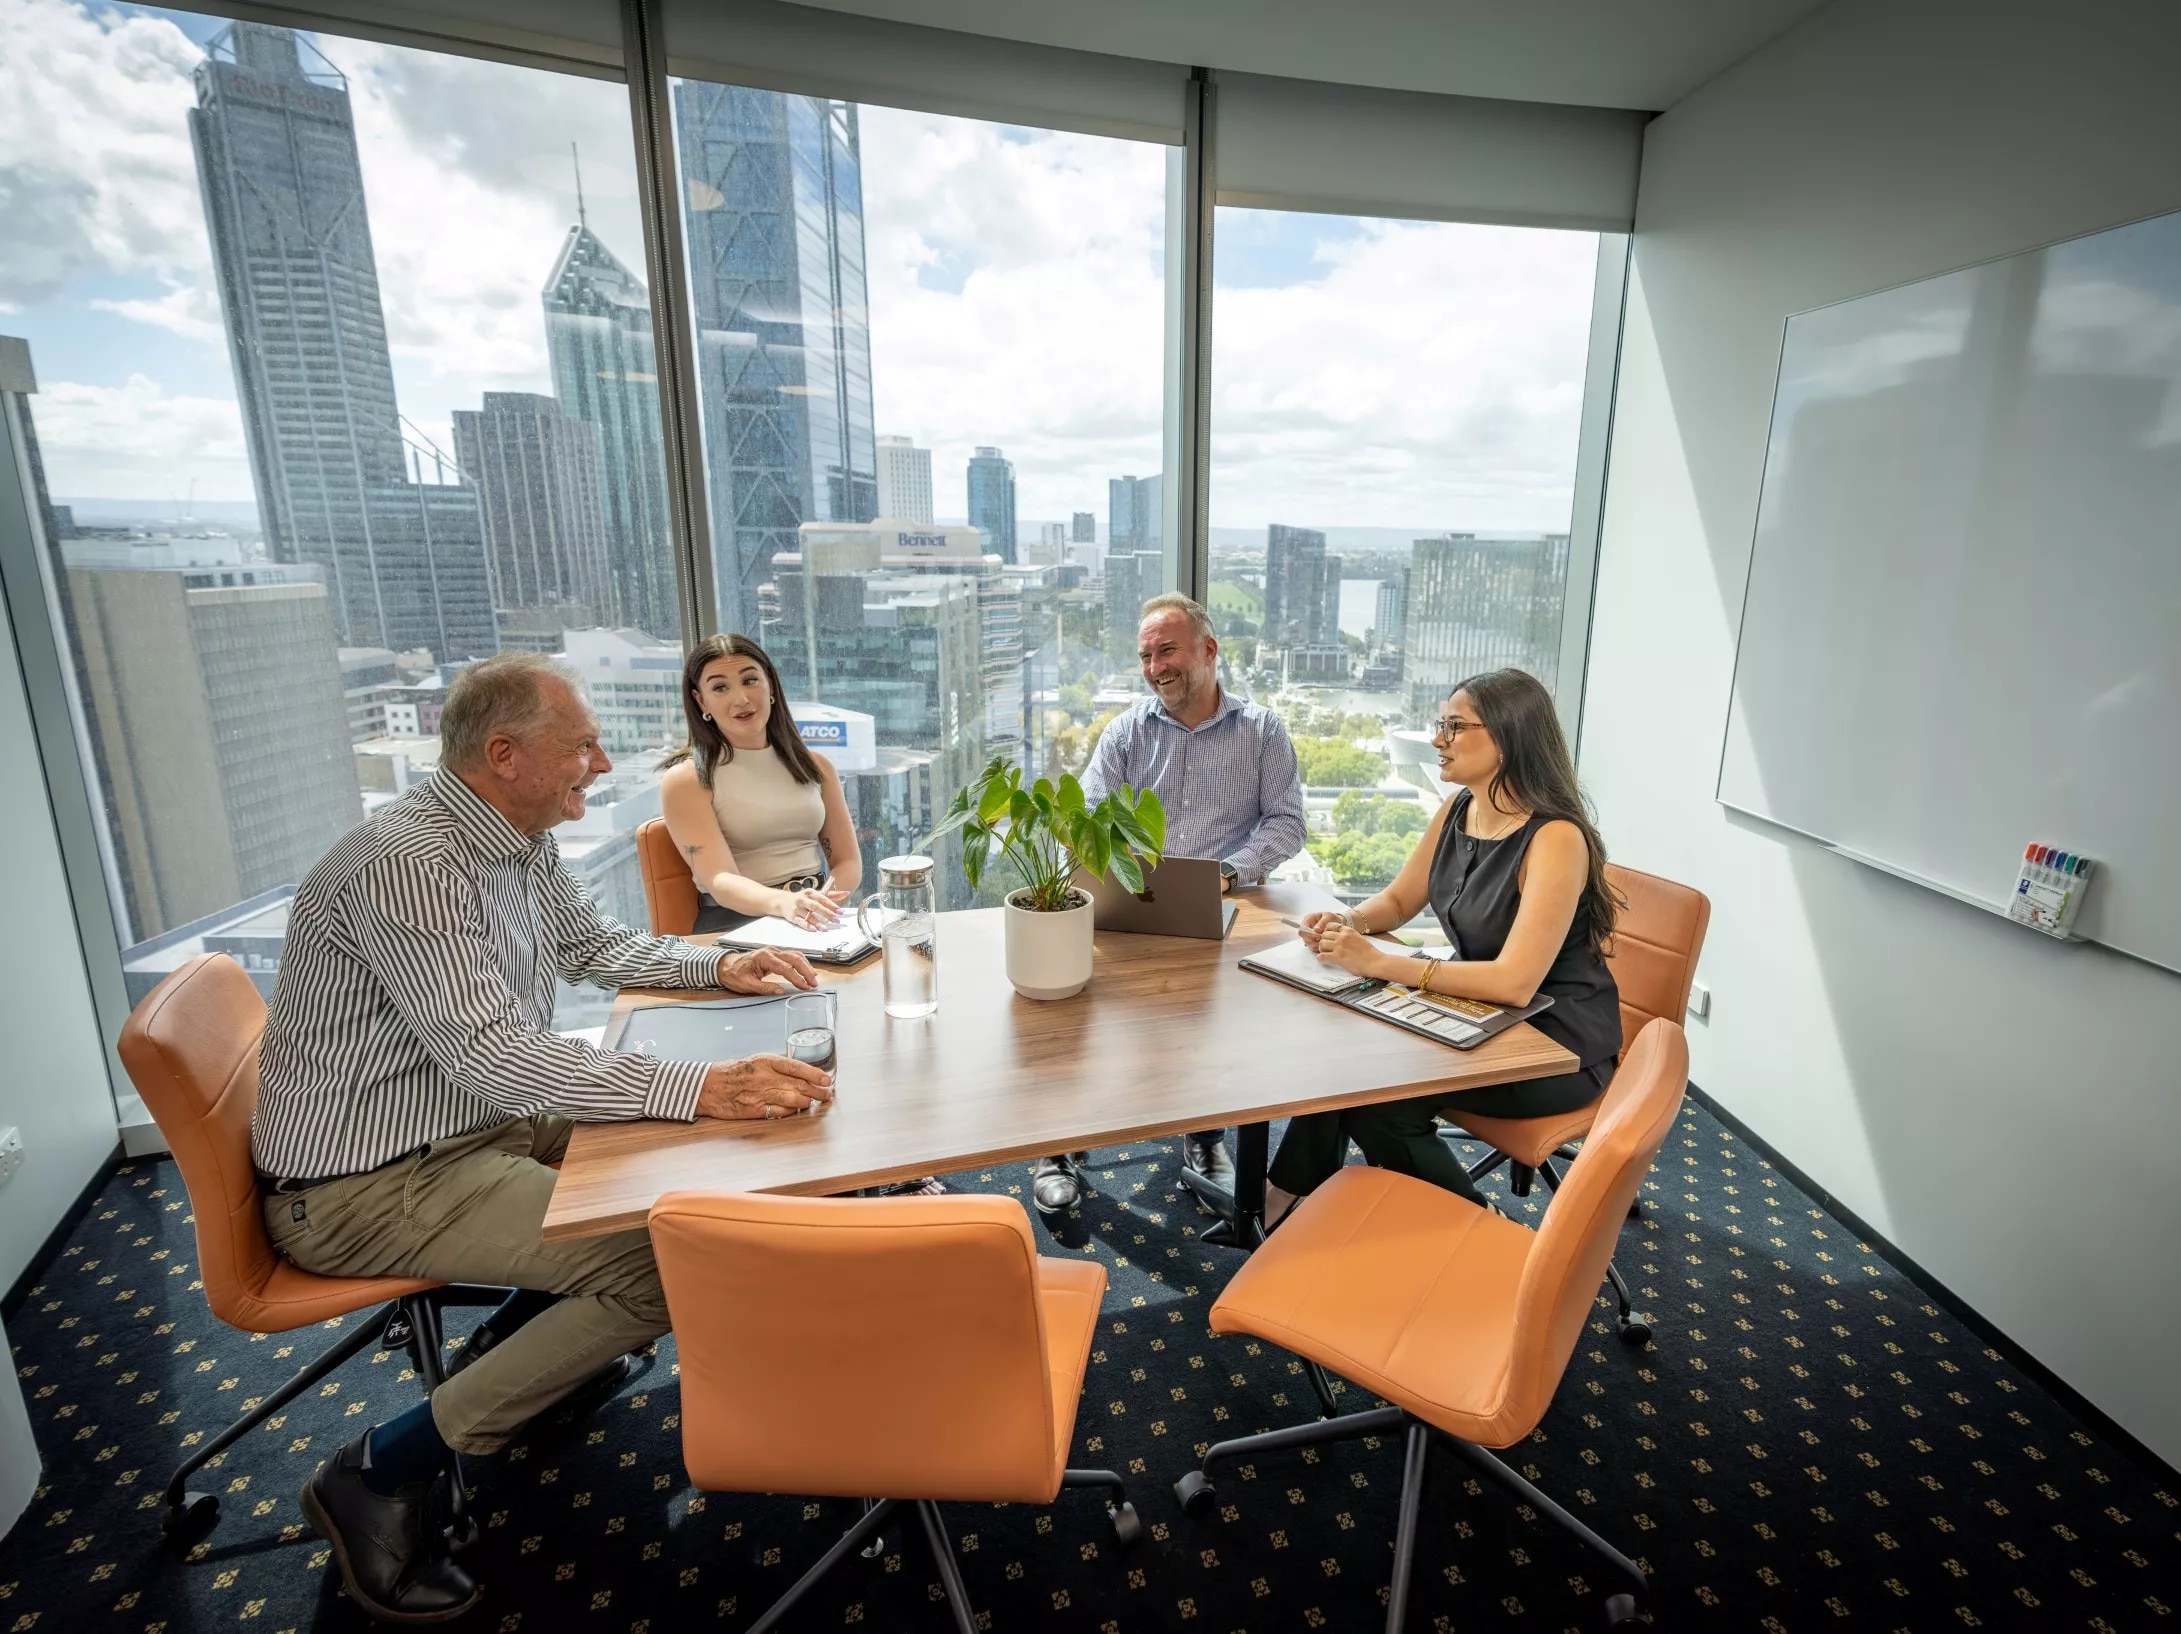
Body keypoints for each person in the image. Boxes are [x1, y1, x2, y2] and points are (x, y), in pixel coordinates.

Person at [254, 652, 835, 1623]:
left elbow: (590, 946)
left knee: (683, 1150)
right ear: (505, 753)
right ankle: (378, 1470)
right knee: (668, 1262)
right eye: (582, 747)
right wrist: (698, 1086)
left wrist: (715, 970)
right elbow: (495, 1055)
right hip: (371, 1180)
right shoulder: (411, 862)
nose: (601, 764)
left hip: (465, 1117)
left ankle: (520, 1340)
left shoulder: (512, 834)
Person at [1261, 667, 1623, 1228]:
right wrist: (1346, 920)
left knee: (1377, 1101)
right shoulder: (1459, 808)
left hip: (1552, 1042)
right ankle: (1280, 1201)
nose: (1437, 739)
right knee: (1343, 1066)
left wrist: (1382, 963)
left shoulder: (1555, 839)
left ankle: (1481, 1233)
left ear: (1507, 738)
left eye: (1455, 726)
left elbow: (1514, 983)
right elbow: (1401, 899)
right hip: (1481, 1012)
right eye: (1439, 724)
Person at [1030, 592, 1306, 1212]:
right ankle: (1059, 1136)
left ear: (1209, 651)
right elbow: (1090, 814)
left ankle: (1203, 1134)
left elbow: (1287, 823)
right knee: (1067, 1007)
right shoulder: (1126, 731)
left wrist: (1229, 874)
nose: (1156, 666)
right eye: (1146, 655)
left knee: (1212, 1018)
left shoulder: (1261, 730)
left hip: (1224, 908)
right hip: (1134, 902)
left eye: (1168, 650)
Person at [658, 633, 861, 935]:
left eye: (750, 680)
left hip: (815, 918)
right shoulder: (687, 779)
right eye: (720, 687)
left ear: (770, 685)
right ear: (701, 700)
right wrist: (787, 905)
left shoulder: (817, 767)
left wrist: (820, 906)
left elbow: (847, 861)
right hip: (735, 924)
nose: (741, 699)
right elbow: (720, 879)